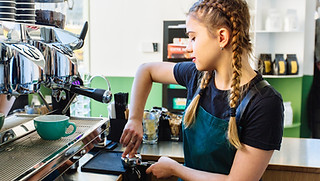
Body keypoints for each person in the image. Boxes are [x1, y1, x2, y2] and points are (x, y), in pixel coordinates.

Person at [120, 0, 284, 180]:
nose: (187, 48)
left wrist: (176, 169)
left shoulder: (265, 103)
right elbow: (146, 70)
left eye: (193, 37)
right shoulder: (197, 76)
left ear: (222, 37)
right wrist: (135, 119)